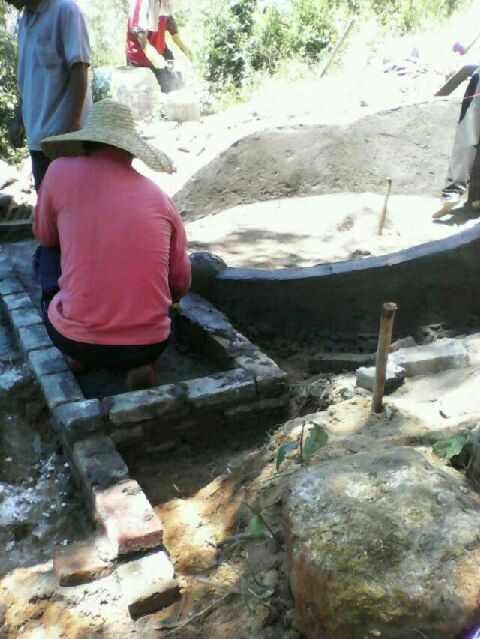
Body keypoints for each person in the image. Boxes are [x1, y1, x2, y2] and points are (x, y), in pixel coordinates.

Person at [33, 99, 191, 388]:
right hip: (150, 344)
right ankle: (139, 364)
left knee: (46, 253)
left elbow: (45, 237)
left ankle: (78, 352)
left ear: (85, 142)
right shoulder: (160, 199)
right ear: (131, 152)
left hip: (74, 339)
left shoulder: (58, 171)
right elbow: (180, 283)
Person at [6, 0, 91, 191]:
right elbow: (27, 77)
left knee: (70, 204)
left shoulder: (66, 10)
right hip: (38, 143)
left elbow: (79, 70)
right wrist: (19, 119)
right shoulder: (25, 20)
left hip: (63, 142)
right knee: (47, 204)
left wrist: (70, 135)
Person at [126, 0, 192, 93]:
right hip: (140, 61)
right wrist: (157, 60)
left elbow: (169, 20)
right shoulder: (140, 4)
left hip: (161, 52)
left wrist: (182, 46)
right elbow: (141, 37)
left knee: (176, 88)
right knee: (148, 96)